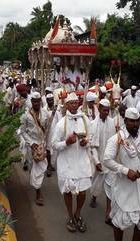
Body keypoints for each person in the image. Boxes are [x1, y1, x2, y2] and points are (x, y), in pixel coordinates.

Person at [103, 108, 140, 241]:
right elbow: (107, 160)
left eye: (137, 121)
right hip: (124, 189)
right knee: (119, 223)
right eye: (132, 121)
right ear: (125, 121)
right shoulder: (116, 139)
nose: (135, 124)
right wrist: (126, 171)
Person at [52, 92, 92, 233]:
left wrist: (86, 142)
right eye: (71, 103)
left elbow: (91, 138)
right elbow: (54, 144)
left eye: (76, 102)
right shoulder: (61, 123)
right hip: (67, 164)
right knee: (68, 191)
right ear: (67, 105)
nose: (74, 105)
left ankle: (78, 213)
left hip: (82, 163)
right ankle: (70, 216)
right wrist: (66, 142)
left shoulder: (85, 120)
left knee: (82, 193)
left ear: (79, 103)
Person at [88, 99, 117, 225]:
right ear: (99, 109)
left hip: (110, 160)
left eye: (108, 111)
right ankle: (94, 196)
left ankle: (108, 212)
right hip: (98, 158)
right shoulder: (93, 124)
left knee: (110, 186)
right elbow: (92, 146)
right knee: (96, 182)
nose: (106, 113)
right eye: (104, 110)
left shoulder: (112, 122)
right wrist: (96, 161)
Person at [20, 92, 49, 206]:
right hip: (31, 144)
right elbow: (22, 131)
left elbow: (46, 129)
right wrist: (31, 143)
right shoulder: (25, 115)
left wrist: (45, 143)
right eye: (34, 101)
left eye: (38, 101)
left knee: (39, 168)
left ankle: (38, 191)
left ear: (40, 102)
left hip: (41, 144)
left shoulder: (45, 114)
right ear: (32, 102)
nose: (36, 103)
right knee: (33, 167)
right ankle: (37, 188)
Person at [43, 93, 57, 177]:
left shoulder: (57, 109)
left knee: (55, 150)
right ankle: (48, 166)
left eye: (52, 99)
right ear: (47, 101)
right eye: (49, 100)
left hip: (56, 132)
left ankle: (51, 164)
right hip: (48, 133)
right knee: (48, 150)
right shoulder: (44, 110)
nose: (51, 101)